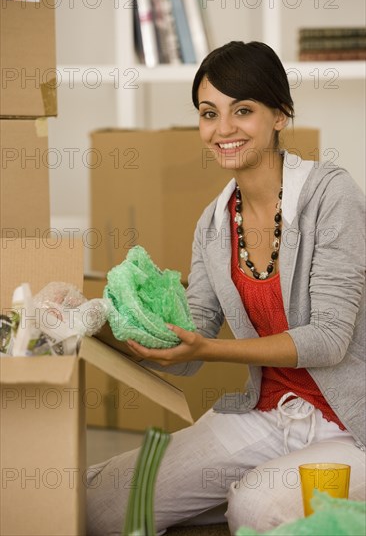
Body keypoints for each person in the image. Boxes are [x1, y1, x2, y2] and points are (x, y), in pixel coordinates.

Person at [87, 41, 365, 535]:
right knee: (106, 506)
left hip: (348, 425)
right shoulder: (214, 226)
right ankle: (264, 490)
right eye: (208, 113)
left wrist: (210, 347)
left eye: (243, 110)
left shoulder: (331, 195)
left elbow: (328, 339)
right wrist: (105, 322)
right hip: (268, 414)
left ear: (280, 115)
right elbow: (190, 349)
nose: (223, 129)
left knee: (258, 510)